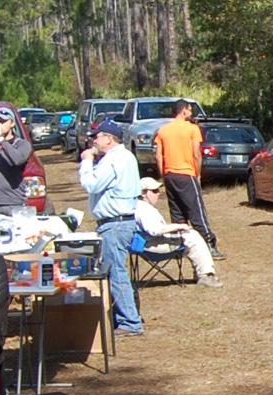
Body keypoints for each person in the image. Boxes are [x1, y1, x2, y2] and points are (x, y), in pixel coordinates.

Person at [78, 118, 147, 338]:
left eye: (97, 136)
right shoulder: (125, 157)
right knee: (117, 271)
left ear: (109, 139)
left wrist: (87, 161)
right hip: (121, 222)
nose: (93, 141)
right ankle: (126, 317)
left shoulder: (113, 159)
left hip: (115, 224)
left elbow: (91, 184)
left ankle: (130, 322)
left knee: (116, 272)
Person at [154, 100, 215, 251]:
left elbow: (158, 156)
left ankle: (182, 243)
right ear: (183, 111)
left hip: (169, 174)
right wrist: (198, 174)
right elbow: (196, 154)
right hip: (186, 173)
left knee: (177, 212)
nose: (191, 113)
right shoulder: (192, 129)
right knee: (196, 211)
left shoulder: (163, 130)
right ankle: (208, 243)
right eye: (190, 109)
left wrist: (163, 175)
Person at [134, 181, 217, 286]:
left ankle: (202, 273)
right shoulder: (144, 209)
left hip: (146, 244)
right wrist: (179, 226)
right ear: (143, 194)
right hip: (152, 246)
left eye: (158, 190)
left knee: (189, 235)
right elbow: (155, 230)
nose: (158, 193)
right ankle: (205, 275)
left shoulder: (137, 206)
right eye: (154, 191)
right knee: (193, 236)